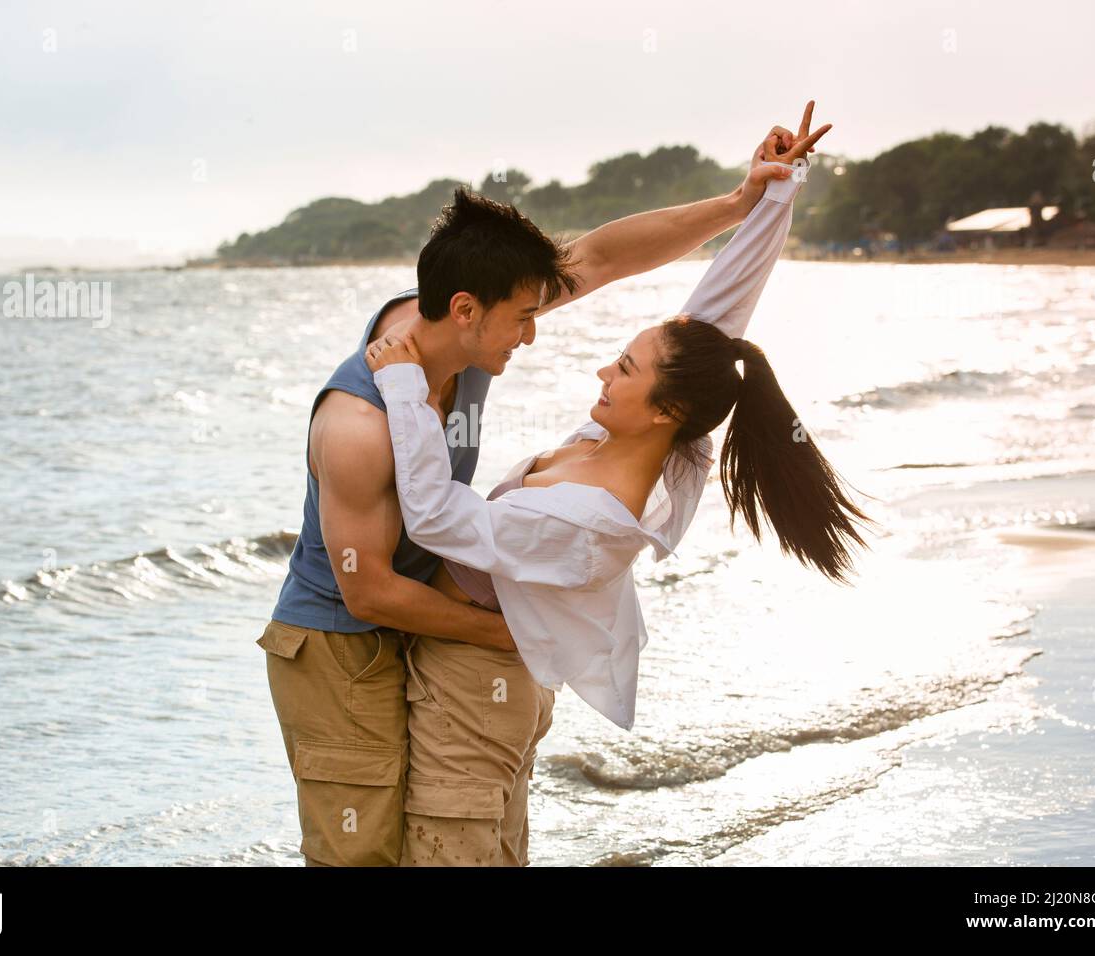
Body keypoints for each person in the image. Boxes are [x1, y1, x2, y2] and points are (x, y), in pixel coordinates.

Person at [258, 102, 830, 867]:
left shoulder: (476, 340)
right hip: (346, 635)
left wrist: (746, 202)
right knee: (363, 856)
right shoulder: (361, 426)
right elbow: (370, 592)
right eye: (523, 317)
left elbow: (600, 261)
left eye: (537, 311)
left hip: (441, 636)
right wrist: (529, 638)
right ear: (463, 310)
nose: (536, 331)